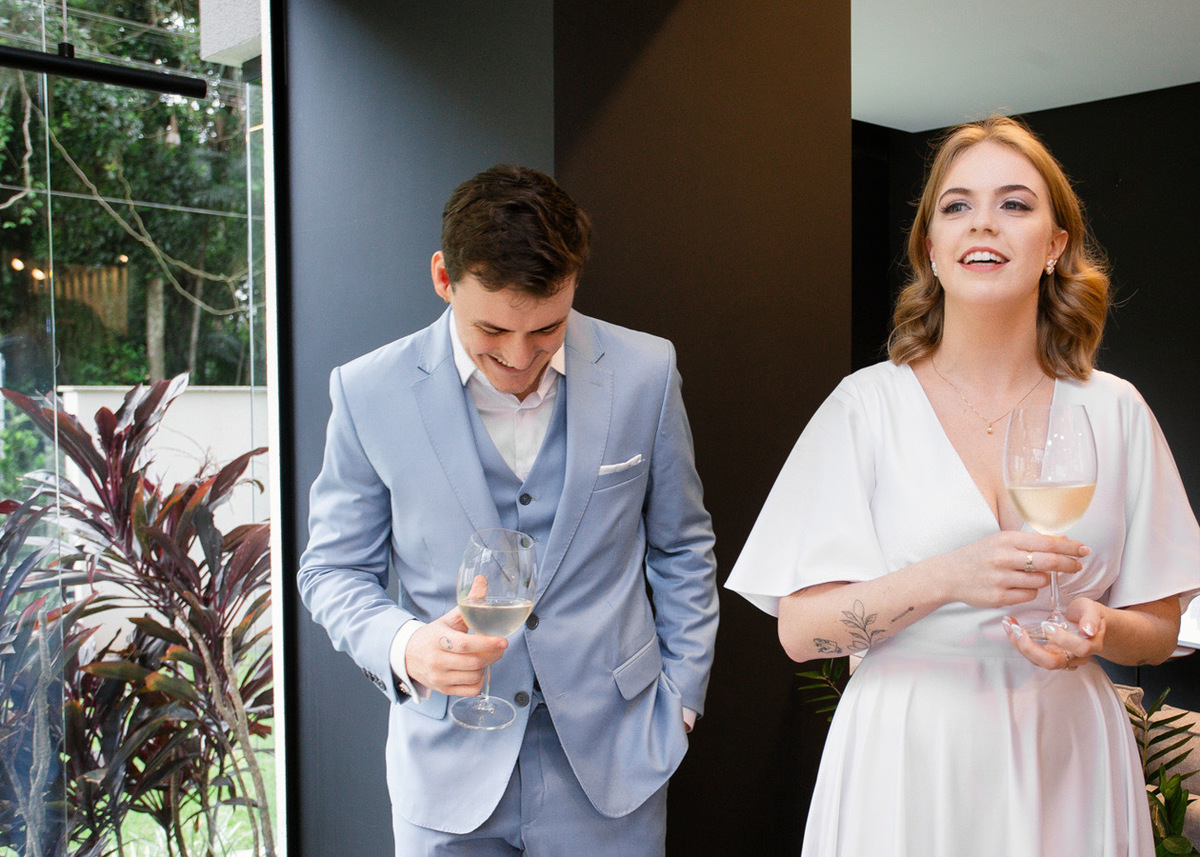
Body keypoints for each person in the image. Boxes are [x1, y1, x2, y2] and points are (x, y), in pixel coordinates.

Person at [726, 117, 1200, 855]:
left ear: (1055, 245)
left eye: (1014, 203)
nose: (983, 221)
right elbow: (801, 632)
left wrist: (1100, 629)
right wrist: (949, 576)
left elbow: (1161, 628)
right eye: (957, 206)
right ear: (930, 249)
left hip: (1067, 750)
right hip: (906, 749)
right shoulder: (864, 407)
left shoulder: (1116, 410)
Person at [298, 165, 718, 855]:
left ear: (574, 282)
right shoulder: (368, 391)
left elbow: (682, 546)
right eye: (492, 329)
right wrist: (407, 646)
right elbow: (332, 569)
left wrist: (683, 697)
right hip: (446, 766)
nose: (520, 357)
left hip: (616, 759)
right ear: (443, 277)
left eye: (547, 328)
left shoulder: (645, 371)